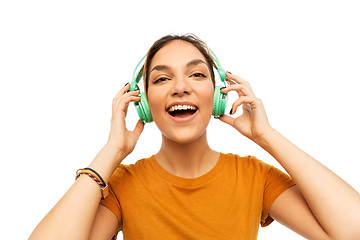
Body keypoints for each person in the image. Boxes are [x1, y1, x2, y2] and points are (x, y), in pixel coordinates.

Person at [29, 34, 360, 240]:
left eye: (197, 74)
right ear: (143, 103)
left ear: (217, 96)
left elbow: (352, 230)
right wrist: (112, 152)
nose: (181, 87)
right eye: (161, 79)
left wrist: (266, 136)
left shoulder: (254, 177)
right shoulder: (122, 185)